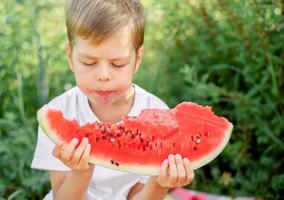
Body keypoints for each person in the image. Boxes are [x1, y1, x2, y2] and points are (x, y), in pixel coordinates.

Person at [31, 0, 195, 199]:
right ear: (70, 57)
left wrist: (159, 184)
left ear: (137, 60)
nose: (103, 75)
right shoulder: (60, 112)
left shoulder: (157, 114)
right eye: (88, 62)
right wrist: (80, 172)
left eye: (118, 64)